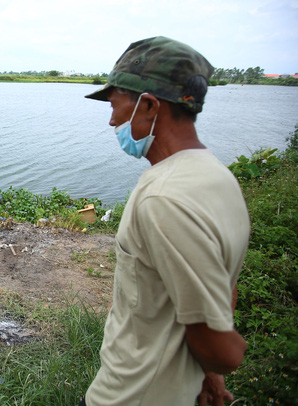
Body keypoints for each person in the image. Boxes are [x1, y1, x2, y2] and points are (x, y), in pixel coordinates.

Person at [81, 36, 250, 406]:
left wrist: (222, 357)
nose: (111, 120)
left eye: (115, 105)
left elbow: (217, 341)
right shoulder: (219, 178)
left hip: (134, 395)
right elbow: (217, 292)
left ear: (150, 105)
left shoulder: (163, 197)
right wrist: (210, 375)